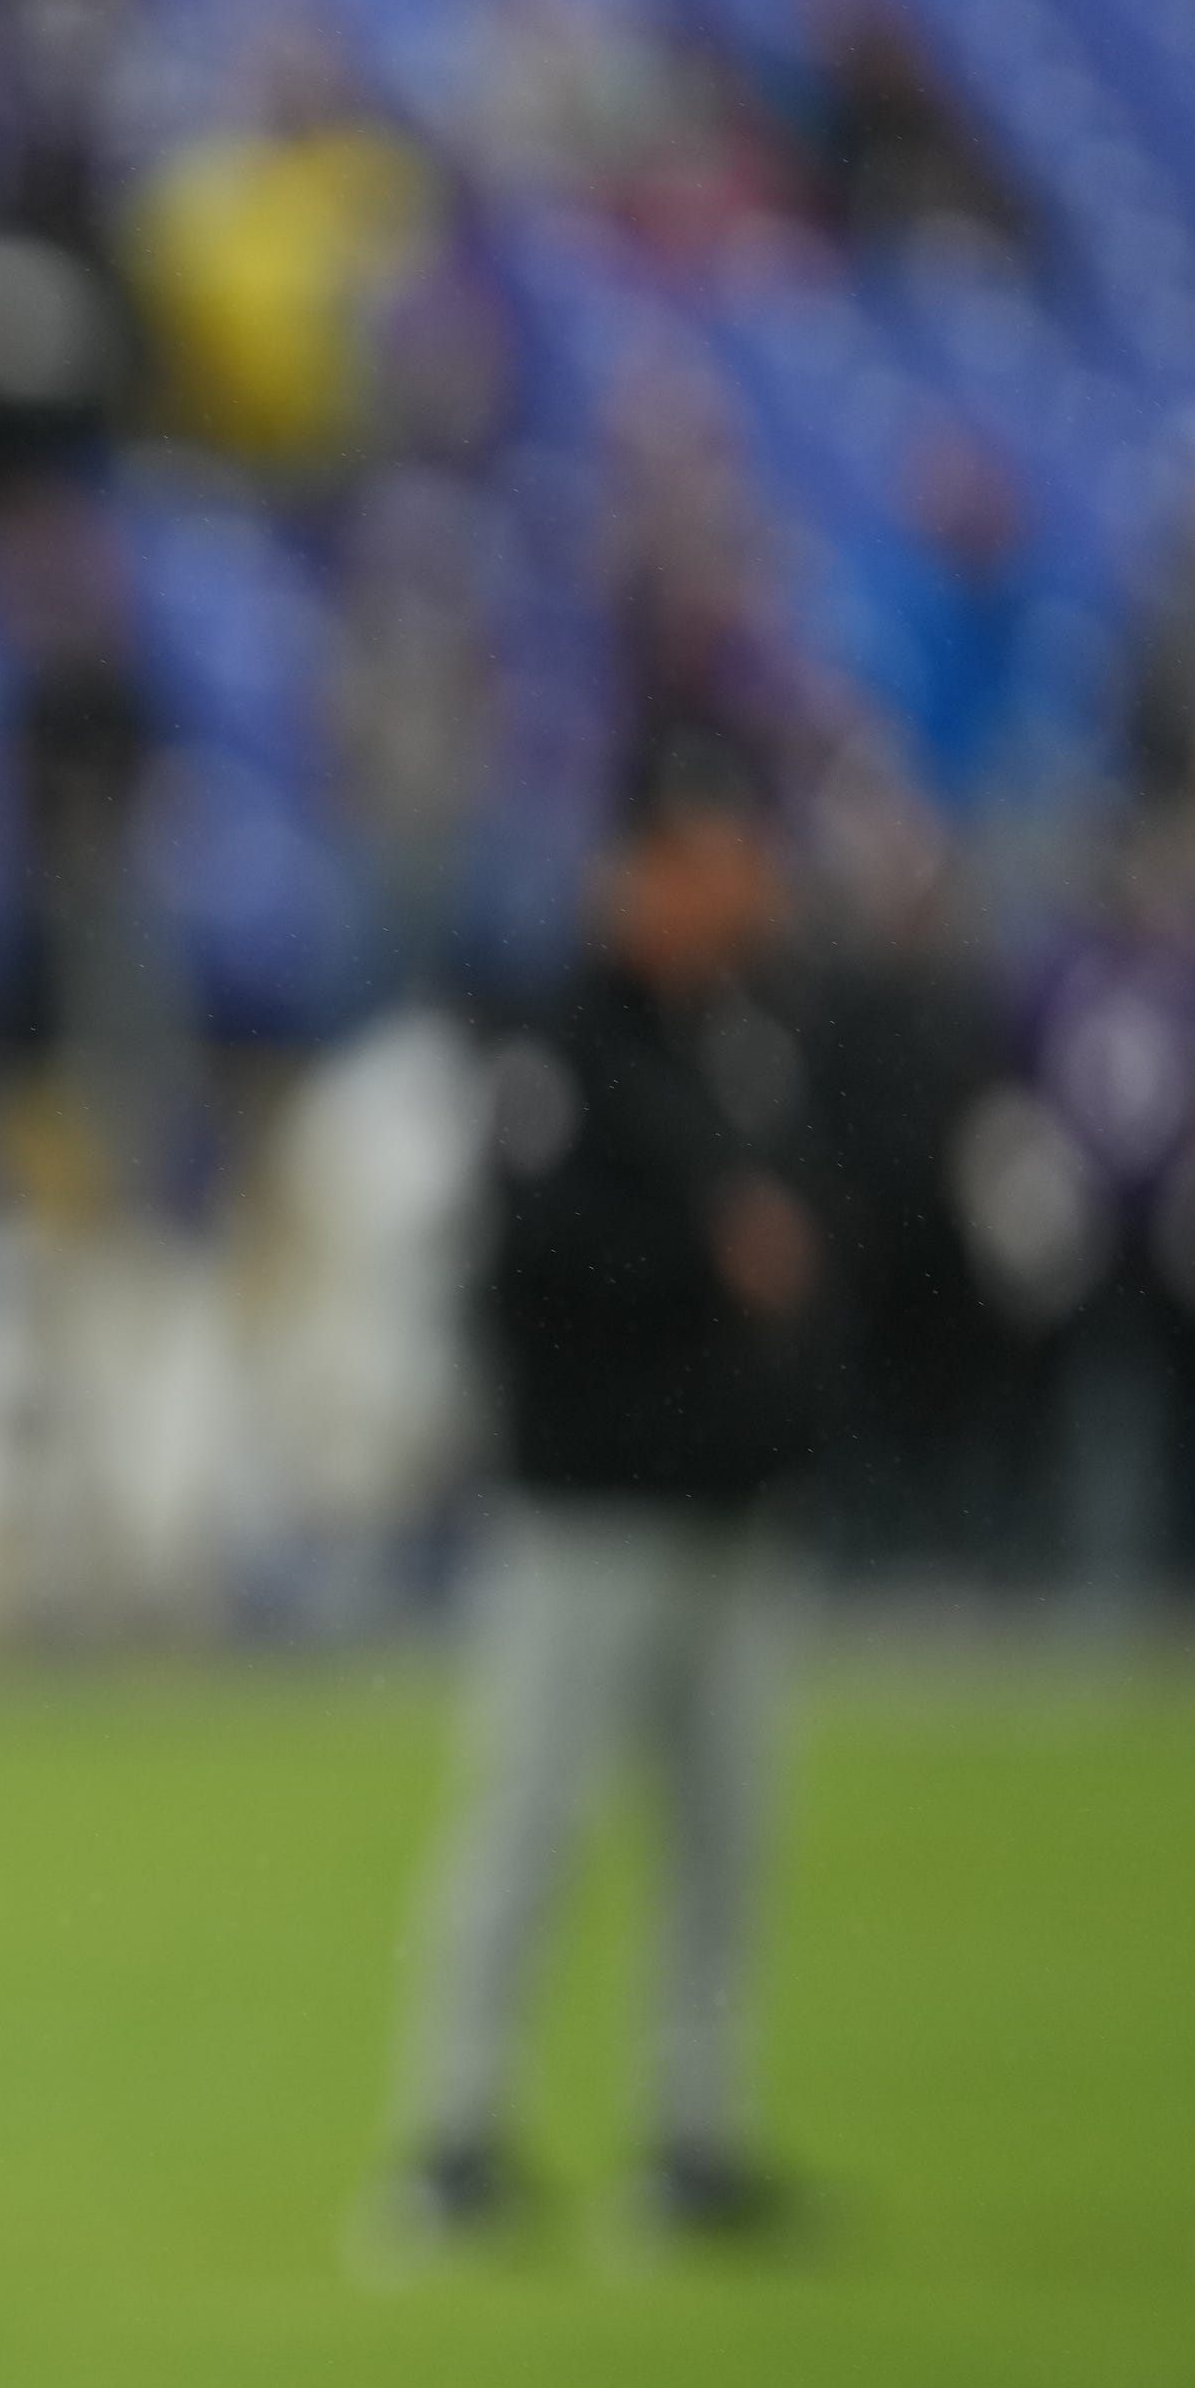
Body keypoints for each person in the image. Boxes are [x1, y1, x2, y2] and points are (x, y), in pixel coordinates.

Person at [387, 740, 824, 2247]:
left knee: (725, 1839)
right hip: (584, 1504)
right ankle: (452, 2136)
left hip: (725, 1497)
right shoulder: (557, 1040)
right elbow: (526, 1265)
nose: (740, 895)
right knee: (531, 1821)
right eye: (709, 866)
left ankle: (695, 2137)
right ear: (639, 875)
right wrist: (699, 1263)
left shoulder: (745, 1031)